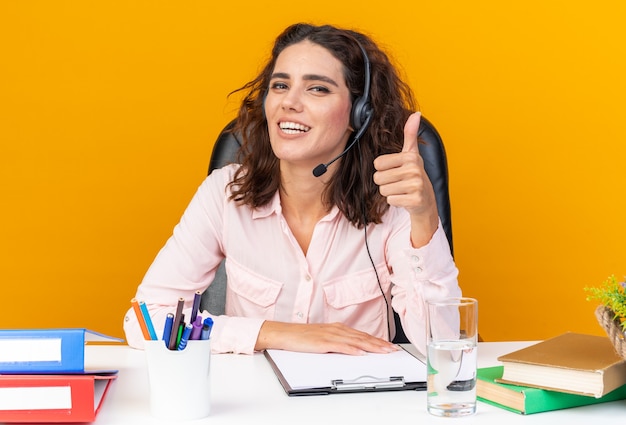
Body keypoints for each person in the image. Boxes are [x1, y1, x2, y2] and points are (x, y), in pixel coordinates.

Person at [123, 22, 460, 355]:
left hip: (359, 402)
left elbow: (440, 342)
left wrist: (424, 215)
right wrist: (275, 334)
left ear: (359, 114)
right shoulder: (224, 193)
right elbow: (144, 321)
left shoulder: (393, 205)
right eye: (281, 85)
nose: (289, 102)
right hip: (253, 403)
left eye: (317, 89)